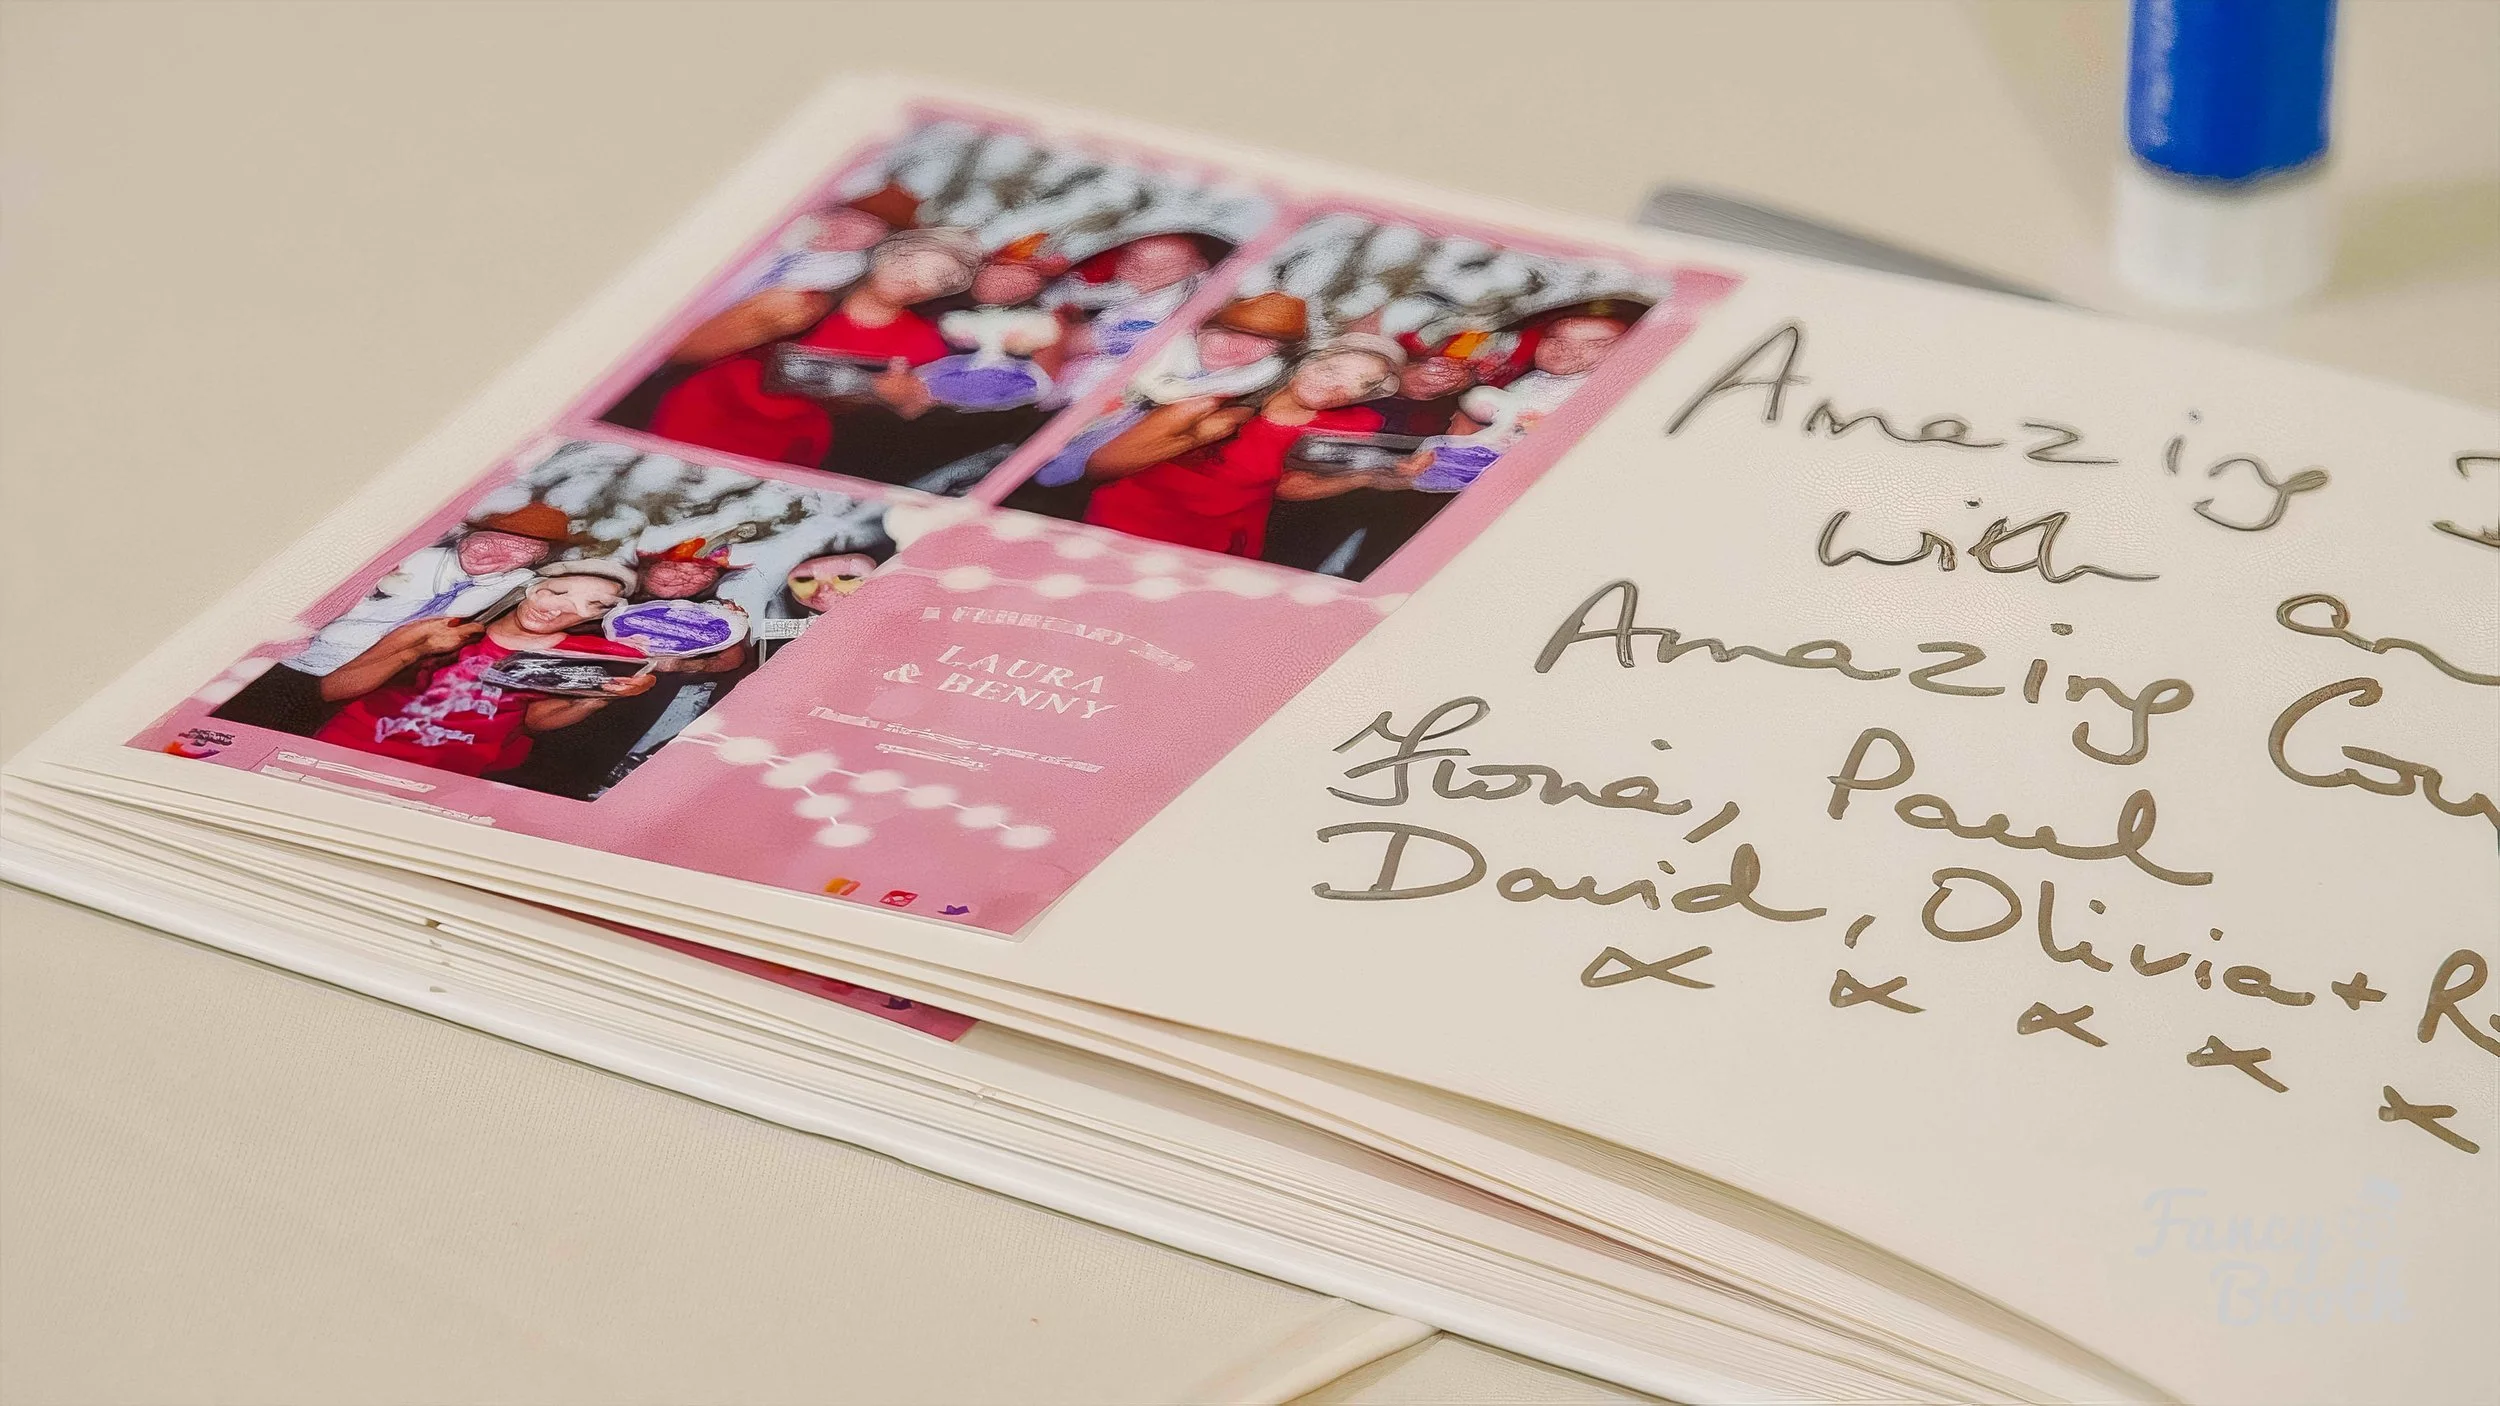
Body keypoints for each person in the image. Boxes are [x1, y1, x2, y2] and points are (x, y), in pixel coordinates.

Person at [213, 502, 577, 735]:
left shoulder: (515, 584)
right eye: (487, 542)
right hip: (293, 661)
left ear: (536, 560)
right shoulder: (415, 559)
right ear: (467, 536)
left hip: (367, 680)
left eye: (521, 551)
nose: (494, 557)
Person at [644, 227, 982, 469]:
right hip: (712, 396)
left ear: (942, 291)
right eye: (910, 261)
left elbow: (906, 409)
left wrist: (891, 397)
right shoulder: (810, 291)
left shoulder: (923, 345)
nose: (912, 278)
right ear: (890, 251)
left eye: (937, 277)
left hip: (786, 436)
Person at [311, 560, 652, 780]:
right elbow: (333, 689)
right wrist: (417, 649)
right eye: (557, 592)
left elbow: (534, 721)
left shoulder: (591, 655)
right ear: (530, 589)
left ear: (593, 618)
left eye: (587, 606)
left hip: (449, 768)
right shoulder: (449, 626)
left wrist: (596, 699)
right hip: (356, 742)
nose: (556, 609)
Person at [1078, 335, 1403, 559]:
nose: (1334, 385)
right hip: (1129, 523)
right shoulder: (1217, 397)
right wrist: (1197, 435)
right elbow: (1102, 465)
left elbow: (1286, 486)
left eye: (1357, 385)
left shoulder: (1341, 427)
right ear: (1307, 360)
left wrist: (1366, 478)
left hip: (1217, 548)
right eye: (1332, 369)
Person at [492, 539, 754, 799]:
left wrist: (685, 663)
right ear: (646, 564)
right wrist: (596, 697)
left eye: (704, 572)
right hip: (544, 754)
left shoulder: (703, 617)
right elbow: (534, 718)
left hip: (612, 756)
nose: (684, 577)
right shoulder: (591, 606)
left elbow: (734, 658)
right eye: (674, 567)